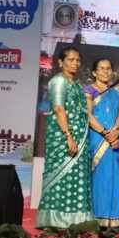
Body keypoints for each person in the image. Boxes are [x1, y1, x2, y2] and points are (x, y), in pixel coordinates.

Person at [36, 47, 94, 228]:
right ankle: (52, 219)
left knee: (77, 175)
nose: (75, 63)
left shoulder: (76, 83)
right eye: (71, 59)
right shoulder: (59, 81)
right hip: (63, 137)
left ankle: (75, 219)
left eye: (78, 60)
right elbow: (59, 109)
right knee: (60, 174)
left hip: (79, 137)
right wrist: (69, 136)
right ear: (61, 62)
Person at [84, 59, 119, 227]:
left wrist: (118, 132)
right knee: (99, 177)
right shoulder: (88, 90)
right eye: (101, 69)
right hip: (97, 139)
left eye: (108, 68)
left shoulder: (117, 94)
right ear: (94, 72)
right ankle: (96, 217)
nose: (105, 72)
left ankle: (113, 219)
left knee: (113, 177)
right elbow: (88, 115)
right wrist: (106, 134)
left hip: (115, 141)